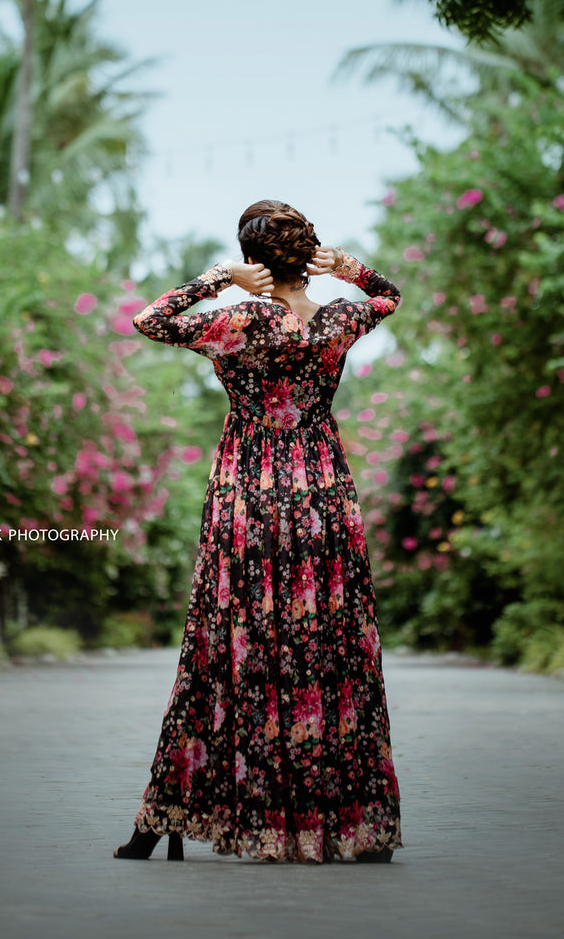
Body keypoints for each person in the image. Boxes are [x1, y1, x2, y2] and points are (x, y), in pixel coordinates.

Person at [113, 199, 403, 864]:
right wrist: (352, 269)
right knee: (330, 655)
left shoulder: (241, 320)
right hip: (325, 495)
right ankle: (351, 826)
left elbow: (150, 320)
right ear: (308, 256)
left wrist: (219, 280)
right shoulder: (339, 319)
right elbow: (390, 296)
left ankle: (175, 814)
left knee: (227, 650)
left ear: (254, 261)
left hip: (250, 496)